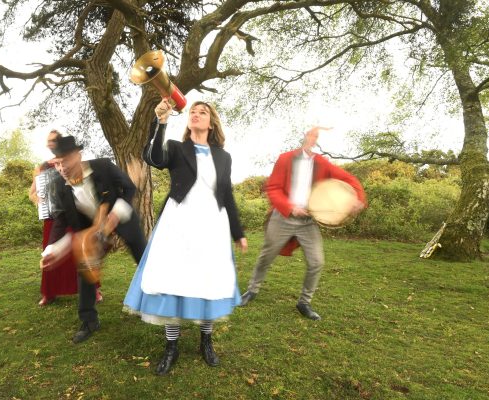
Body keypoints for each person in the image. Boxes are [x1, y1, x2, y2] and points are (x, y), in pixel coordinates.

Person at [123, 99, 248, 376]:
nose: (196, 114)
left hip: (213, 225)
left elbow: (226, 194)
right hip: (178, 221)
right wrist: (161, 122)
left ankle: (206, 339)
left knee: (208, 280)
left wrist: (237, 233)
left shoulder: (224, 157)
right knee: (173, 279)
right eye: (193, 111)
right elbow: (154, 158)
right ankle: (171, 346)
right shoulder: (177, 149)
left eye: (202, 112)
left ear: (211, 122)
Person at [239, 127, 366, 321]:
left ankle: (304, 302)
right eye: (310, 134)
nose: (312, 138)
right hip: (283, 217)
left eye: (316, 136)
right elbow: (273, 188)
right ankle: (252, 290)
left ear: (317, 140)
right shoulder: (285, 158)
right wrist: (290, 207)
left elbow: (348, 178)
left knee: (317, 262)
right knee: (266, 256)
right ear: (304, 137)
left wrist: (358, 198)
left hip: (307, 221)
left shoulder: (322, 162)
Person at [40, 135, 146, 343]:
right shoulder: (59, 185)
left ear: (78, 156)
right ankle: (89, 321)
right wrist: (51, 249)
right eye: (58, 163)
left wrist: (115, 216)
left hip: (121, 217)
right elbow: (60, 219)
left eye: (66, 161)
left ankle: (153, 302)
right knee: (85, 270)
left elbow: (129, 188)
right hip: (90, 228)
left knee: (143, 260)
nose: (62, 168)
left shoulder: (103, 166)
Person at [29, 130, 83, 307]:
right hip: (53, 218)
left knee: (80, 252)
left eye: (53, 141)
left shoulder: (75, 163)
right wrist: (39, 201)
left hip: (75, 215)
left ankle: (92, 289)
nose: (49, 144)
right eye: (48, 141)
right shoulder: (43, 167)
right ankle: (49, 293)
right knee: (50, 253)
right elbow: (32, 193)